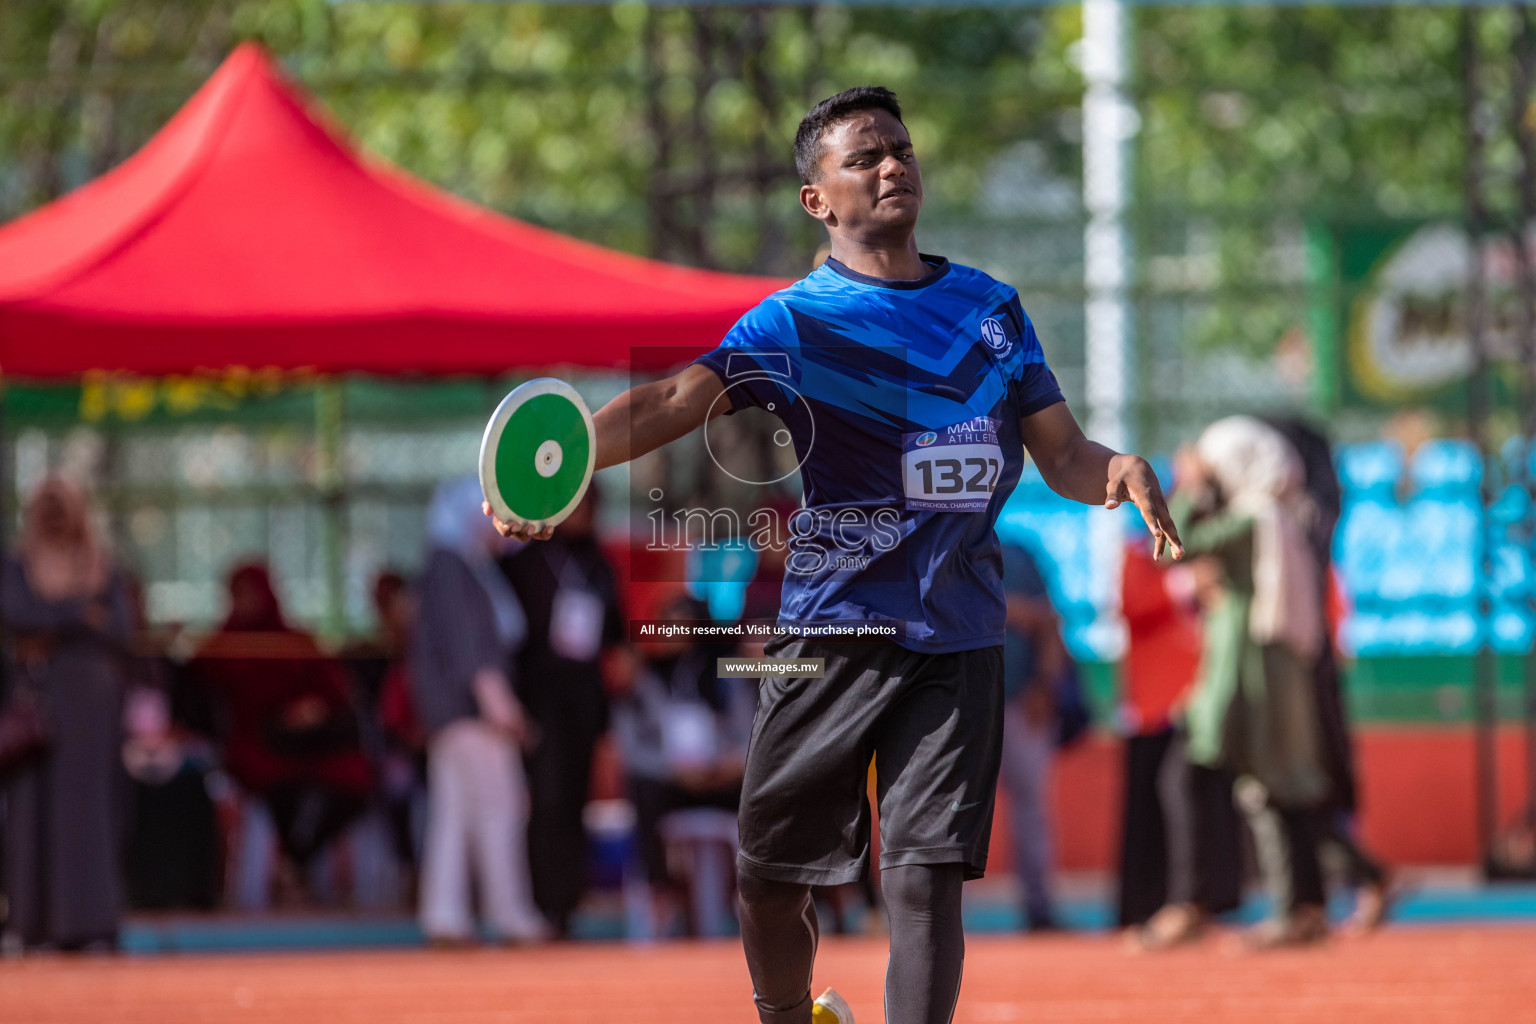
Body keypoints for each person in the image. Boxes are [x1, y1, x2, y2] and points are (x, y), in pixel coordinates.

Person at [487, 86, 1181, 1024]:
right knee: (769, 882)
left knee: (926, 877)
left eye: (900, 148)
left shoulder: (993, 311)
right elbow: (670, 402)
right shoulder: (794, 323)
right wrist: (562, 470)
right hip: (833, 633)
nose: (892, 165)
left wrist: (1118, 470)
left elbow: (1060, 453)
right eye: (864, 157)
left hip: (958, 634)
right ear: (818, 199)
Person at [1171, 417, 1331, 949]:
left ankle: (1300, 905)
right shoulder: (1273, 516)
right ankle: (1312, 901)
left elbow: (1183, 541)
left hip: (1250, 667)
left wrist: (1193, 487)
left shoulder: (1252, 518)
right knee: (1275, 784)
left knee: (1266, 784)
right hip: (1254, 664)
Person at [186, 563, 372, 909]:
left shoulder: (291, 640)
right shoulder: (225, 645)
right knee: (277, 786)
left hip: (310, 744)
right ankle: (290, 867)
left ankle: (296, 862)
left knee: (353, 782)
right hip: (256, 744)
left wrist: (312, 710)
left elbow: (336, 691)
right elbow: (195, 691)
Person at [411, 475, 547, 945]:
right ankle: (511, 916)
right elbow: (471, 651)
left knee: (453, 818)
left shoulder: (452, 564)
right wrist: (504, 711)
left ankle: (445, 916)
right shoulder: (453, 567)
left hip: (453, 715)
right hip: (474, 715)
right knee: (501, 812)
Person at [1, 477, 132, 951]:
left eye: (64, 506)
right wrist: (81, 612)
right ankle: (32, 924)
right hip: (37, 702)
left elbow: (120, 627)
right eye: (47, 507)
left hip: (92, 704)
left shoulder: (100, 564)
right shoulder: (19, 564)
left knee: (89, 813)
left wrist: (56, 618)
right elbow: (18, 613)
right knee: (30, 815)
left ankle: (89, 923)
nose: (56, 516)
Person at [498, 485, 625, 937]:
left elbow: (617, 634)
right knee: (545, 801)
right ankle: (540, 900)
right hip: (539, 702)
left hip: (585, 704)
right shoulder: (523, 563)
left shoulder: (599, 565)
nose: (585, 515)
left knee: (574, 803)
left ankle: (567, 903)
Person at [612, 594, 753, 935]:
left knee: (766, 793)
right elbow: (629, 746)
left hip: (723, 778)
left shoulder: (727, 672)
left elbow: (753, 730)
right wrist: (673, 769)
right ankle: (659, 890)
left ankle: (757, 894)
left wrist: (731, 763)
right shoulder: (645, 679)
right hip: (671, 781)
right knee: (640, 788)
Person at [995, 540, 1068, 932]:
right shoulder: (938, 544)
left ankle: (1039, 907)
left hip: (1020, 703)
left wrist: (1045, 686)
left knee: (1031, 812)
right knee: (949, 812)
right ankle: (930, 917)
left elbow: (1050, 620)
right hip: (956, 707)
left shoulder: (1020, 552)